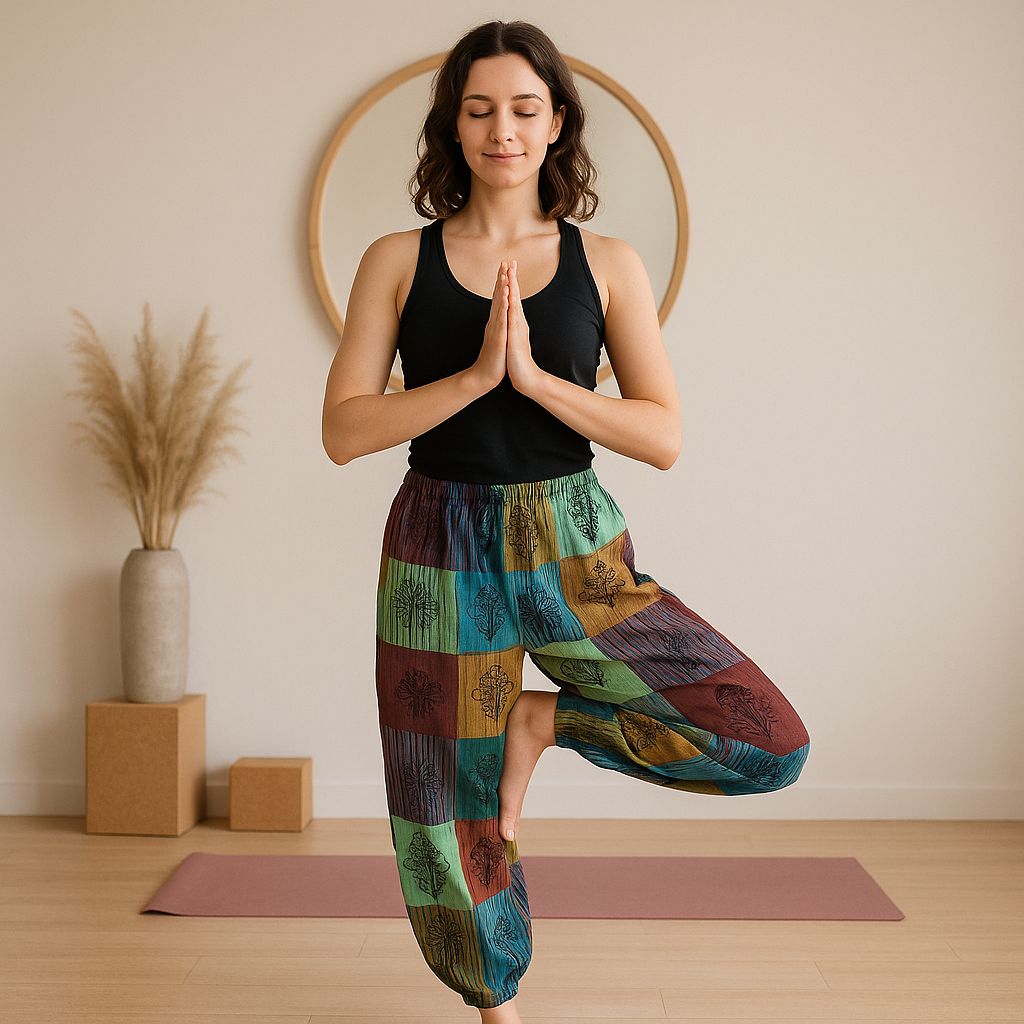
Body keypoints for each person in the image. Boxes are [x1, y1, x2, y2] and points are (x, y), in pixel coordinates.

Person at [321, 19, 810, 1023]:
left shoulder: (610, 262)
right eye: (479, 109)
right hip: (436, 546)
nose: (502, 129)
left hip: (573, 540)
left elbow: (661, 434)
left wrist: (539, 382)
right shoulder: (396, 259)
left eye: (523, 108)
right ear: (453, 126)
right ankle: (494, 1004)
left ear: (556, 125)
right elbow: (343, 430)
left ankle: (542, 722)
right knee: (440, 808)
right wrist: (472, 379)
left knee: (765, 743)